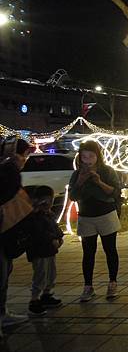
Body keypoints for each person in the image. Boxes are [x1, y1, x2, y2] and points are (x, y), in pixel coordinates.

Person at [68, 141, 121, 302]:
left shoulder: (107, 171)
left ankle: (112, 282)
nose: (88, 160)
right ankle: (88, 286)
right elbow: (73, 196)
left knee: (110, 249)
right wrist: (80, 181)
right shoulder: (77, 174)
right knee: (88, 252)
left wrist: (99, 182)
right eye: (84, 157)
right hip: (86, 215)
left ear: (97, 157)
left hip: (106, 214)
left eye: (91, 156)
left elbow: (115, 192)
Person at [0, 137, 35, 337]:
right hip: (4, 229)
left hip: (6, 229)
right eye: (25, 155)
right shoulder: (9, 170)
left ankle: (3, 313)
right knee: (2, 274)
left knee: (4, 272)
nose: (25, 159)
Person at [25, 185, 64, 317]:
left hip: (50, 250)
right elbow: (38, 232)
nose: (49, 203)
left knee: (51, 273)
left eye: (51, 200)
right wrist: (52, 238)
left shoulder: (48, 214)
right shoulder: (34, 216)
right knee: (40, 274)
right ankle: (34, 300)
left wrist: (59, 236)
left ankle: (47, 294)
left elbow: (55, 227)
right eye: (45, 200)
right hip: (39, 250)